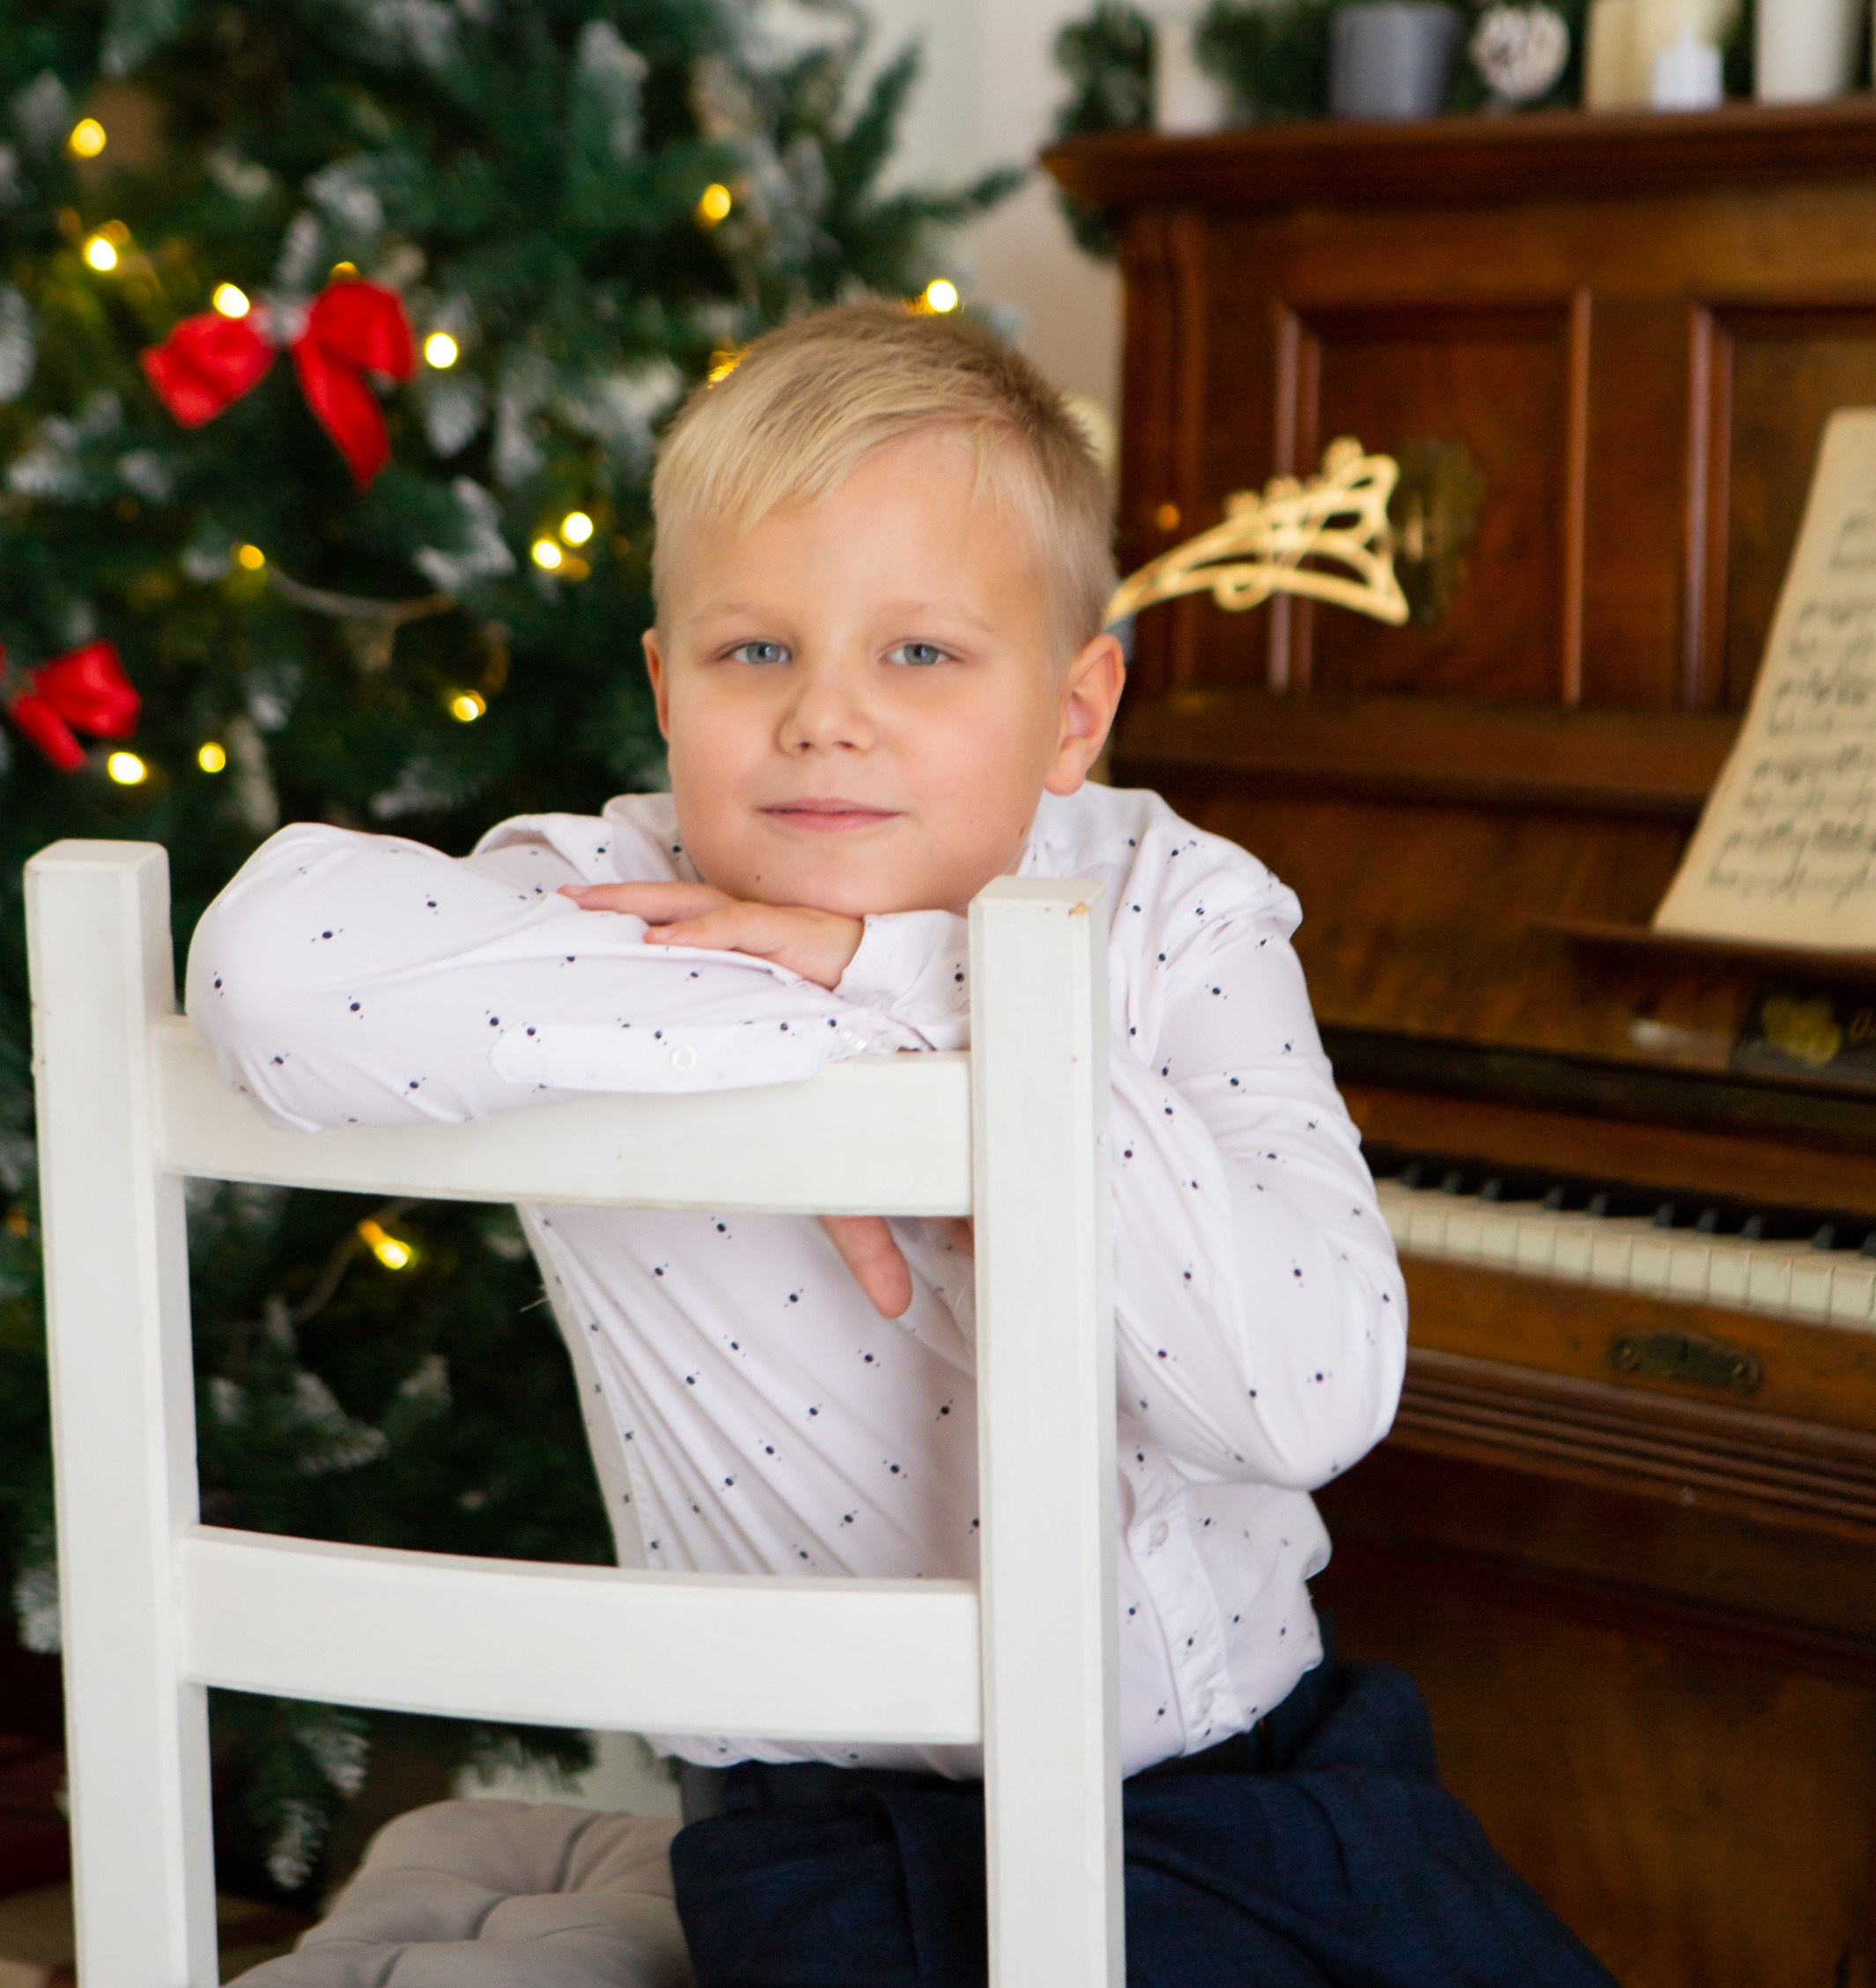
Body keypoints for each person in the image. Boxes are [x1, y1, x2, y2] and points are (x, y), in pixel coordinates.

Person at [188, 302, 1616, 1987]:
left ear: (1075, 709)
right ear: (664, 687)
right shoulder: (597, 898)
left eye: (920, 653)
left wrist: (905, 981)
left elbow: (1310, 1395)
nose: (824, 717)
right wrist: (842, 1022)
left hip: (1282, 1778)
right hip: (837, 1850)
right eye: (753, 651)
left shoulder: (1175, 904)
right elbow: (271, 971)